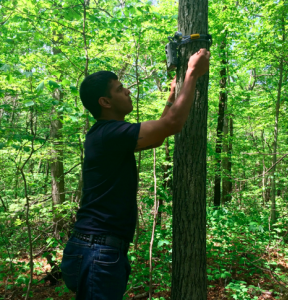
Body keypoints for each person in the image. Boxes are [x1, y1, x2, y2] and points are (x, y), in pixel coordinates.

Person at [60, 48, 210, 300]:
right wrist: (193, 73)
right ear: (105, 102)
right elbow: (172, 124)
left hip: (92, 248)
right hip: (97, 251)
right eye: (119, 89)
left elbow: (158, 136)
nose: (128, 91)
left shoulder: (107, 134)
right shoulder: (108, 134)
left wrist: (172, 94)